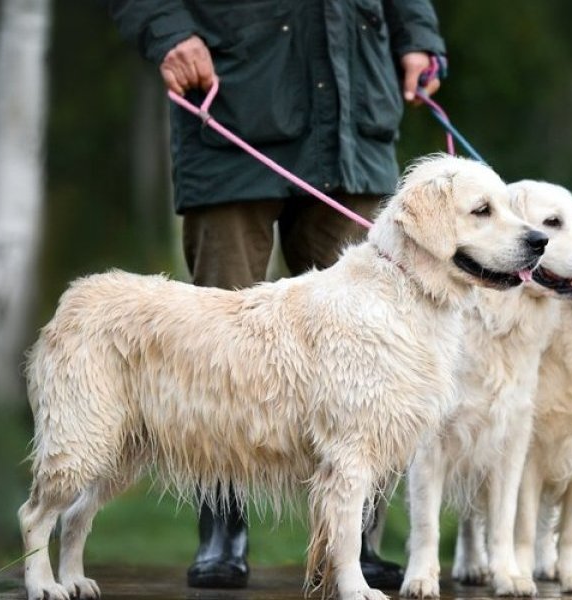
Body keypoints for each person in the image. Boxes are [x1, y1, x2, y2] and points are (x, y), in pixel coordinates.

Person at [106, 0, 446, 590]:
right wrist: (169, 31)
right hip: (233, 116)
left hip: (353, 123)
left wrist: (418, 35)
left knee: (380, 359)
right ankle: (222, 534)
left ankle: (355, 545)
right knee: (219, 350)